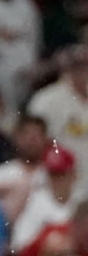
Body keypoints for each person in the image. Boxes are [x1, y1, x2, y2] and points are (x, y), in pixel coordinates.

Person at [29, 45, 88, 187]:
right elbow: (36, 143)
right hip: (62, 184)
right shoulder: (46, 100)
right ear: (67, 69)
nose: (84, 72)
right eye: (78, 67)